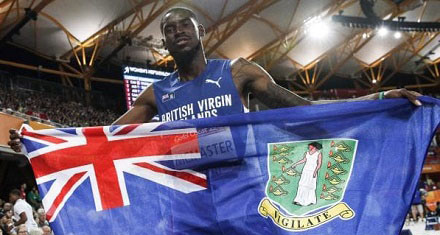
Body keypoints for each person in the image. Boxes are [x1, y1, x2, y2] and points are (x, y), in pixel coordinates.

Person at [8, 7, 422, 151]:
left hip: (244, 188)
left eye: (184, 25)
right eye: (167, 30)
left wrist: (381, 94)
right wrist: (41, 138)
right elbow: (106, 135)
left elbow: (306, 109)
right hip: (191, 195)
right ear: (164, 43)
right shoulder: (158, 93)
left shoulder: (238, 72)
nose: (175, 31)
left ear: (201, 32)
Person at [291, 142, 323, 206]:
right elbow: (304, 160)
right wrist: (295, 164)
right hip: (305, 171)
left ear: (314, 147)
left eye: (310, 145)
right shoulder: (307, 153)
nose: (309, 146)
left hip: (312, 171)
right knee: (302, 184)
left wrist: (315, 171)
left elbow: (319, 164)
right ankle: (298, 200)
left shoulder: (318, 154)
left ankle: (310, 200)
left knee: (311, 186)